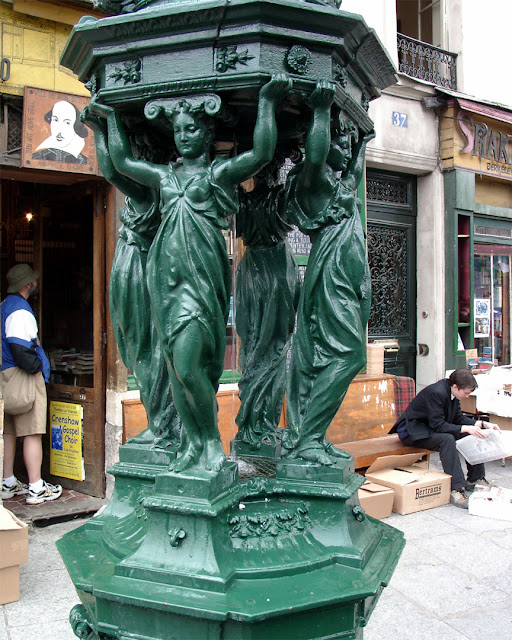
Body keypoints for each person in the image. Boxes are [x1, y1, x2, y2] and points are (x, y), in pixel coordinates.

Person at [91, 74, 292, 473]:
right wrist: (105, 122)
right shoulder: (164, 178)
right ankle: (194, 445)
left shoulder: (216, 176)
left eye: (192, 128)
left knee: (188, 367)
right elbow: (121, 165)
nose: (183, 136)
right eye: (179, 130)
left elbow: (261, 153)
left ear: (206, 133)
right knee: (174, 368)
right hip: (165, 287)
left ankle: (211, 444)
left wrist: (268, 101)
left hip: (200, 288)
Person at [281, 79, 373, 465]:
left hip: (350, 280)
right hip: (330, 274)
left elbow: (355, 168)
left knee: (331, 357)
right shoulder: (313, 179)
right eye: (341, 139)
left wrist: (364, 140)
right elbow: (317, 154)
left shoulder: (342, 183)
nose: (346, 146)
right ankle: (309, 438)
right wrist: (320, 111)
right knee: (349, 357)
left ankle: (309, 434)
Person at [80, 109, 180, 448]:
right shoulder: (153, 187)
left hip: (137, 268)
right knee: (140, 349)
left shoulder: (147, 189)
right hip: (133, 267)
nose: (137, 156)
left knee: (145, 350)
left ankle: (161, 423)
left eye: (141, 152)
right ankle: (162, 421)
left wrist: (102, 125)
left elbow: (111, 166)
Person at [391, 368, 500, 509]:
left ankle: (475, 478)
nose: (467, 396)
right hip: (414, 431)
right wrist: (465, 428)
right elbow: (438, 425)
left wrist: (482, 424)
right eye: (466, 393)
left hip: (429, 428)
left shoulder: (453, 393)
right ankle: (456, 488)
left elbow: (458, 418)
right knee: (447, 440)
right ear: (455, 387)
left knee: (473, 433)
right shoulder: (436, 392)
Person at [1, 264, 62, 504]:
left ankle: (7, 482)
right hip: (23, 378)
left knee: (9, 432)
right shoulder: (20, 310)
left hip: (6, 378)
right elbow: (19, 347)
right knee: (32, 432)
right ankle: (36, 487)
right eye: (33, 281)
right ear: (27, 285)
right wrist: (36, 370)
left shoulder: (4, 306)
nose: (36, 283)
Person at [32, 100, 88, 165]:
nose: (60, 129)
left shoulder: (83, 161)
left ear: (76, 125)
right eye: (55, 120)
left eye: (67, 122)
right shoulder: (38, 156)